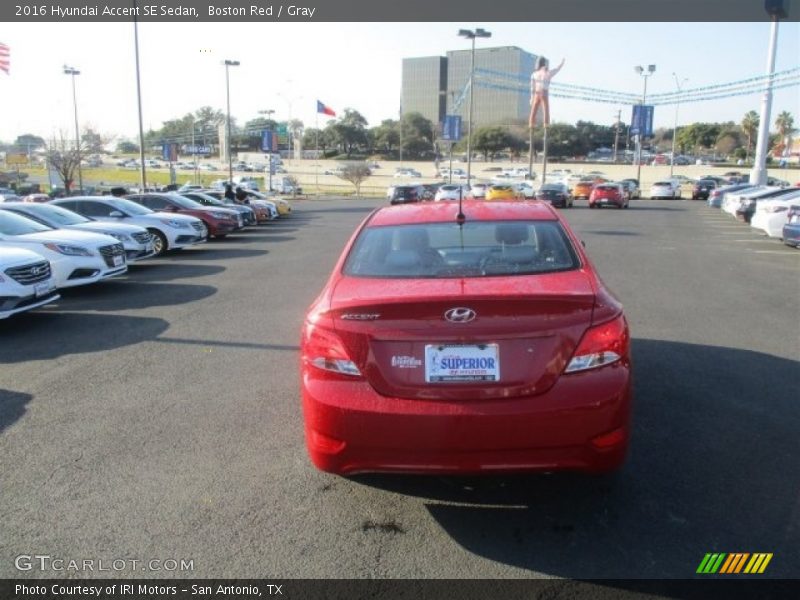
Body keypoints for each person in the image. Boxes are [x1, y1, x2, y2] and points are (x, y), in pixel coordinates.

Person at [529, 57, 565, 128]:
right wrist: (562, 63)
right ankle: (546, 126)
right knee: (546, 110)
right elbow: (557, 69)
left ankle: (531, 125)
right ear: (544, 64)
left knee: (533, 110)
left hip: (536, 92)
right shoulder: (547, 72)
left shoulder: (534, 74)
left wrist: (531, 98)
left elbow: (532, 87)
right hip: (544, 92)